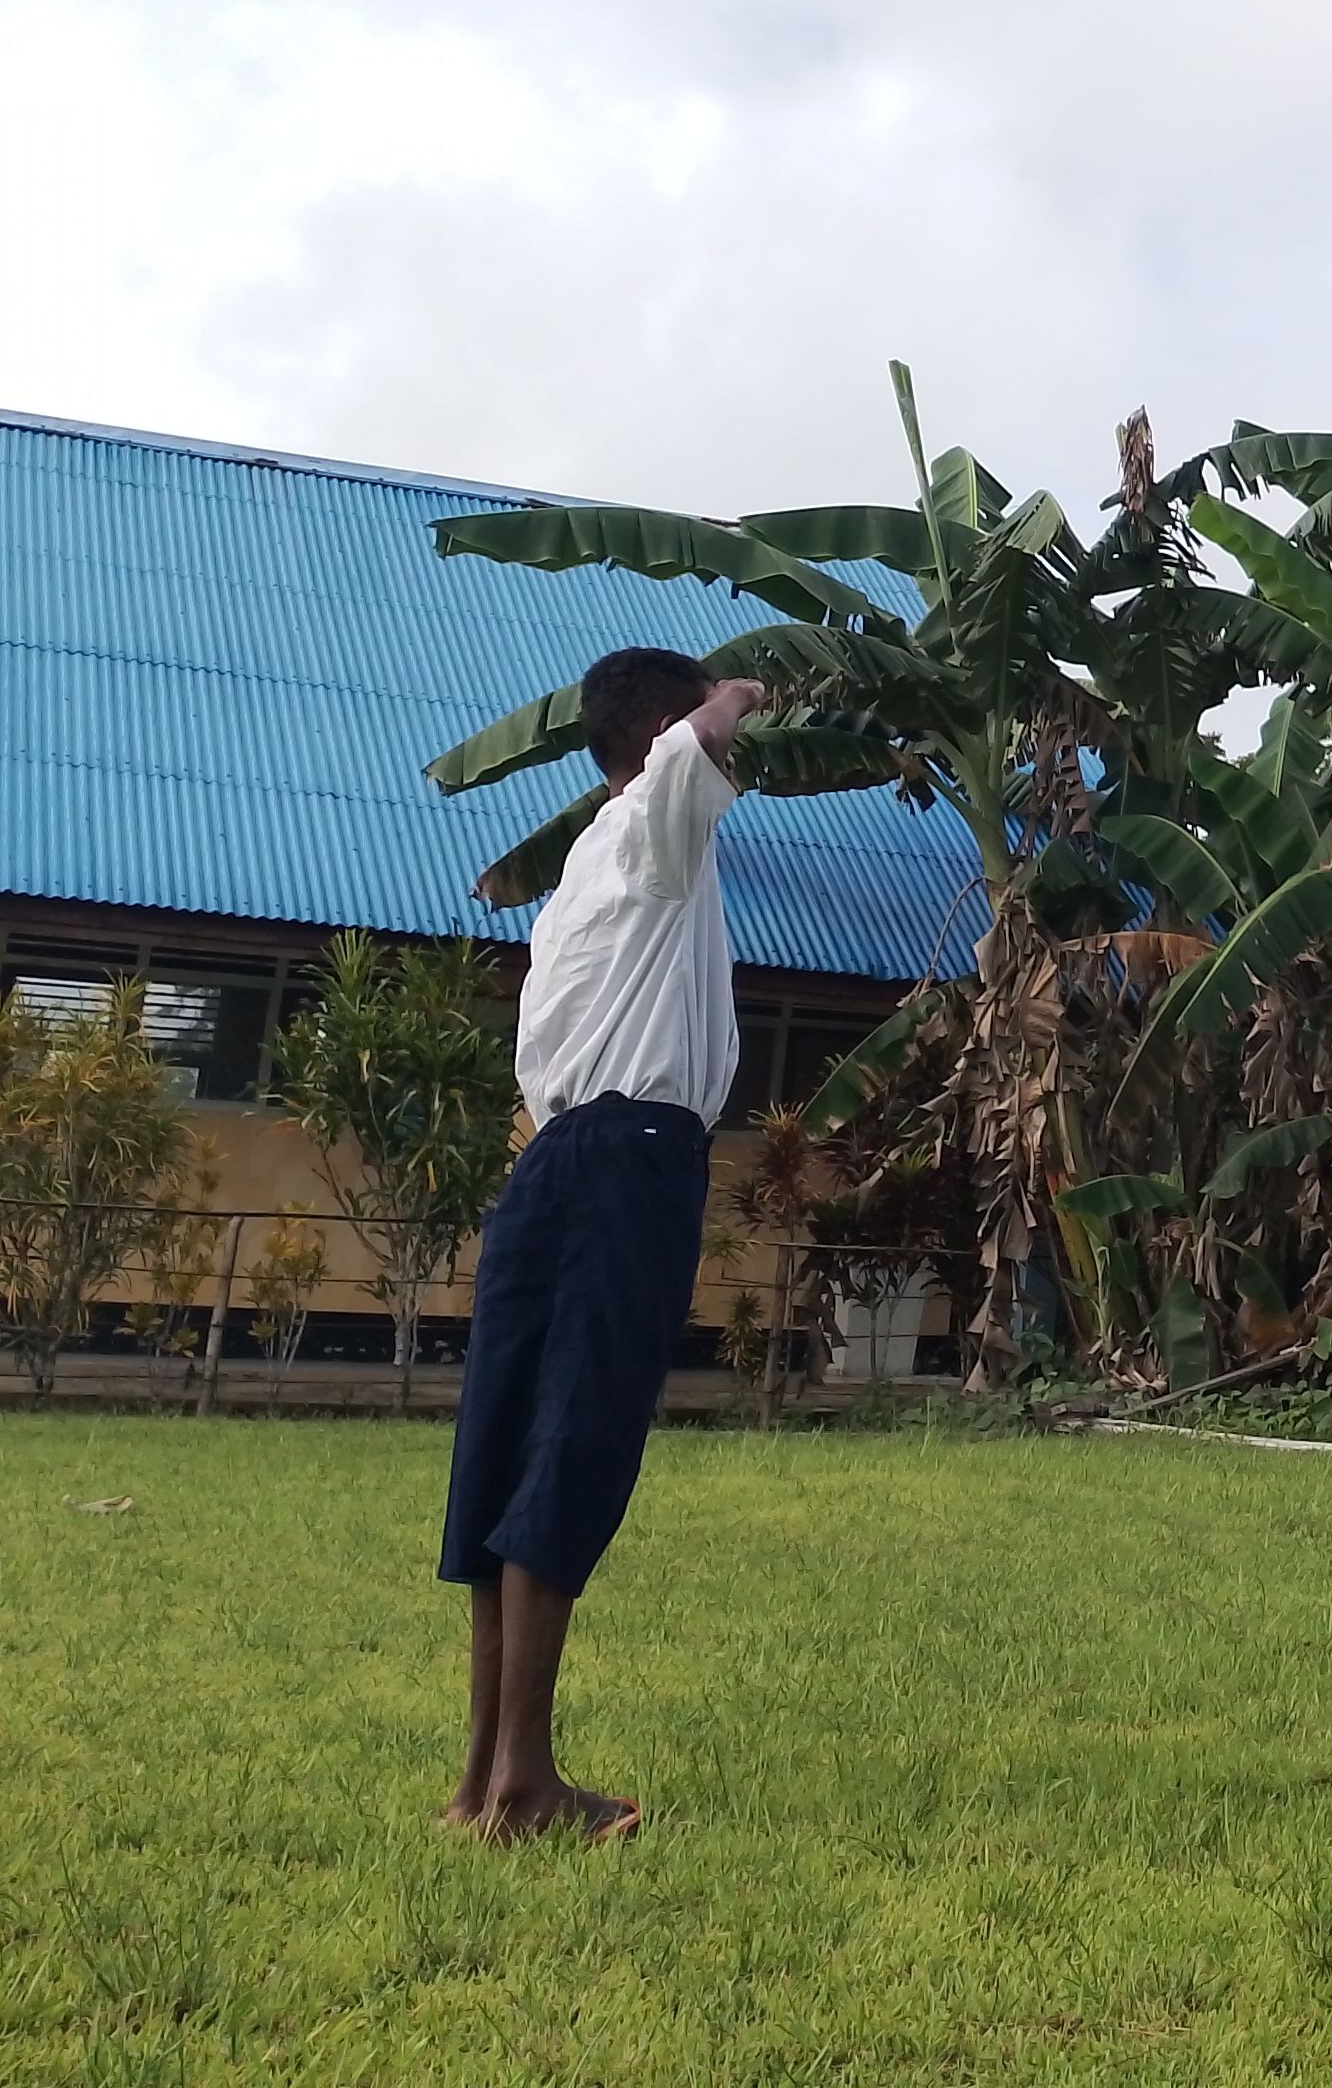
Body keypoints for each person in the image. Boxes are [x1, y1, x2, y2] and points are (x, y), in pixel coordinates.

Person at [440, 645, 768, 1839]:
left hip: (555, 1161)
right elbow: (692, 749)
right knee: (572, 1443)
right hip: (630, 1161)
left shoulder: (585, 865)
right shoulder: (651, 832)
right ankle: (525, 1785)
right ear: (662, 729)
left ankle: (483, 1782)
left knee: (511, 1446)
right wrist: (741, 695)